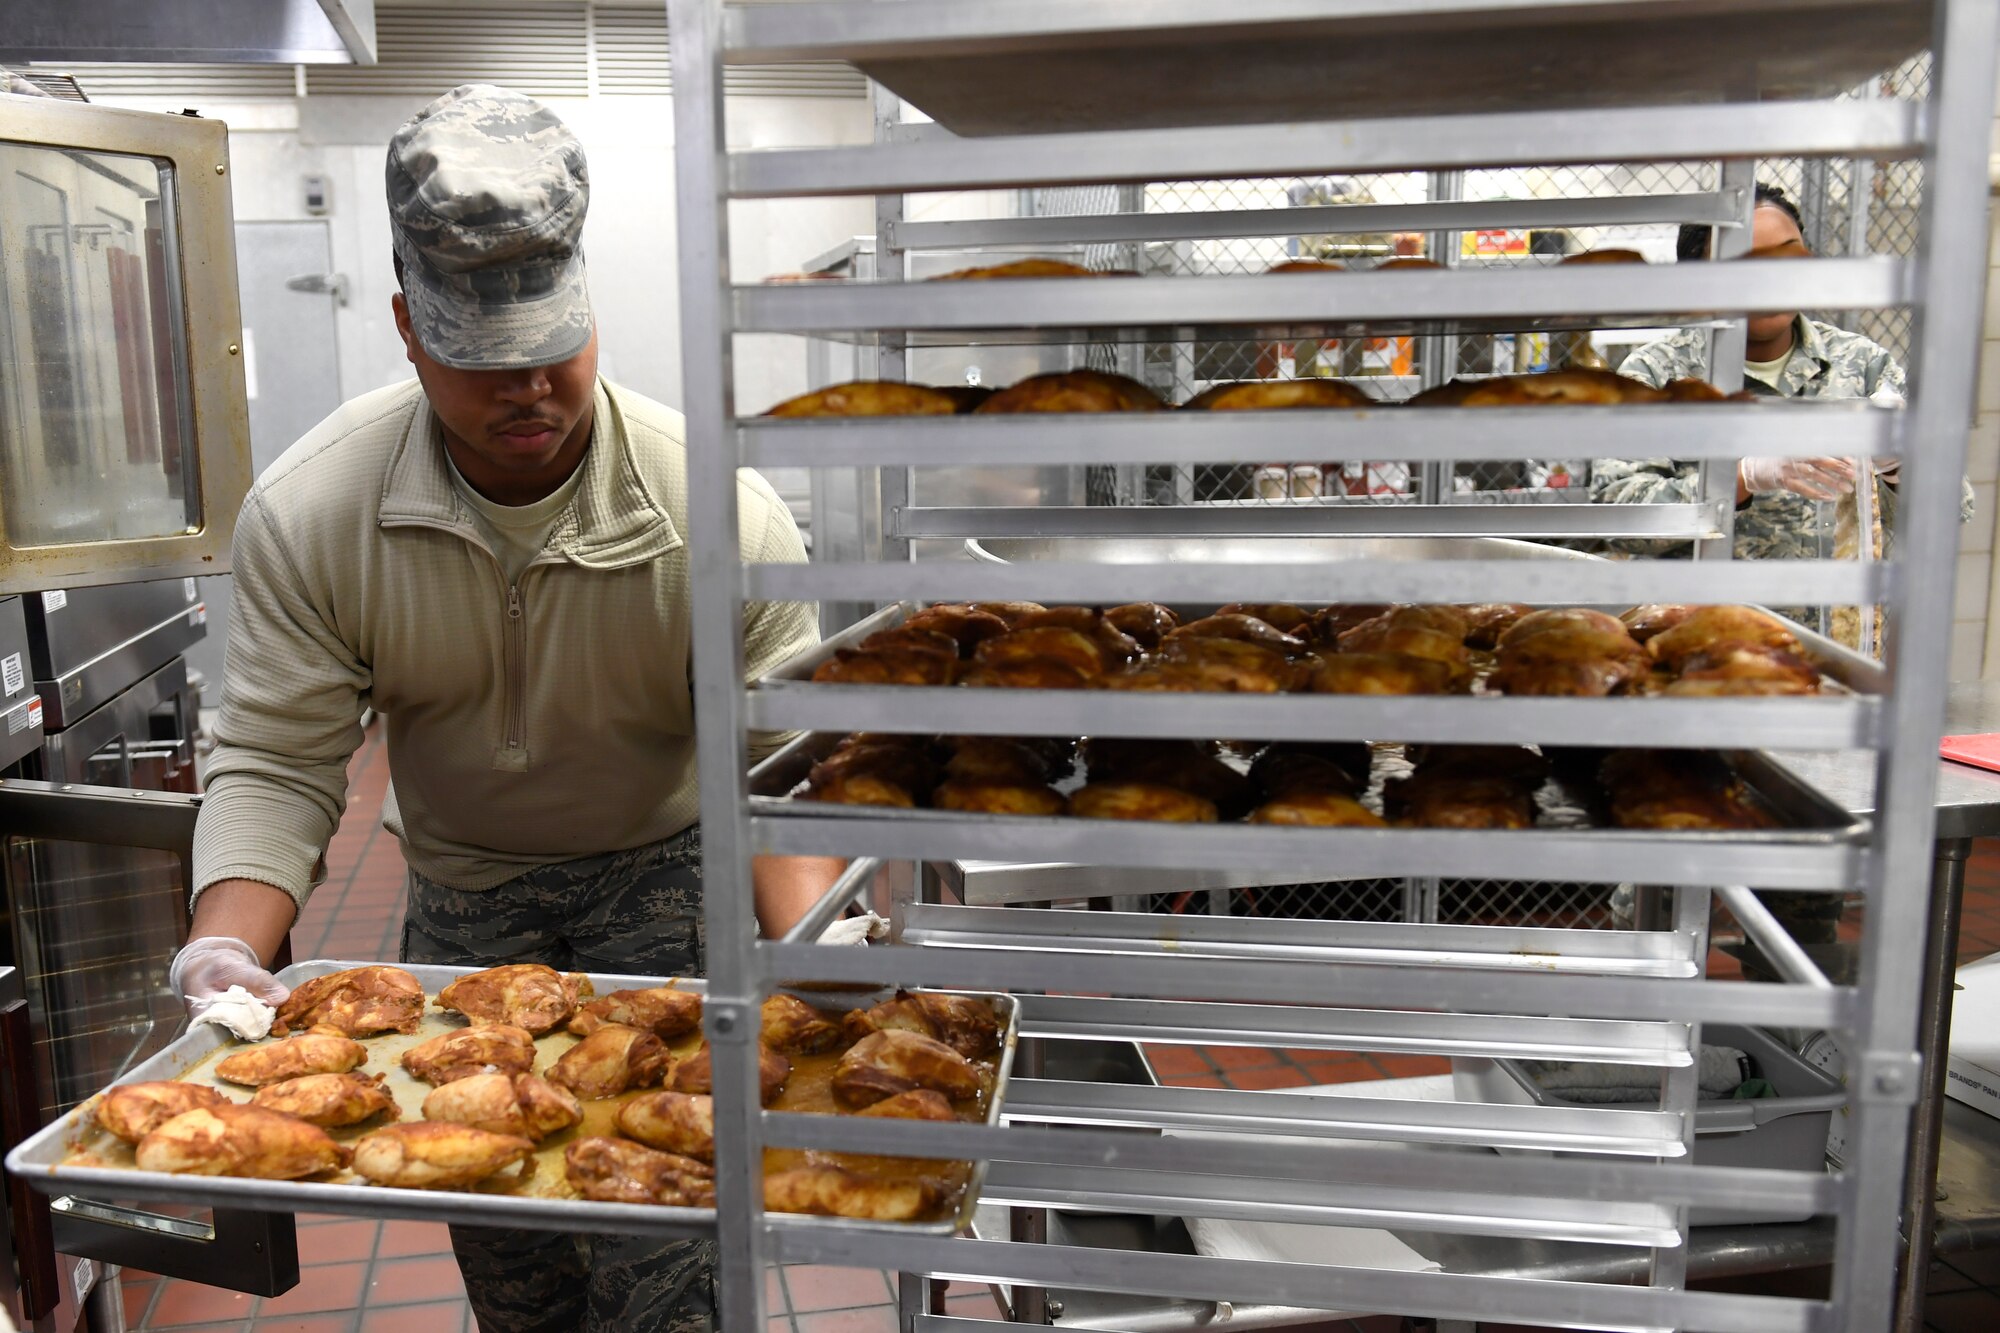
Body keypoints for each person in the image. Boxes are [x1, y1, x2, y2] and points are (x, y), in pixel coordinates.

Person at [170, 84, 841, 1332]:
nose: (527, 389)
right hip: (468, 902)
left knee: (672, 1251)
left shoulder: (711, 509)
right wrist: (229, 945)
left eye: (554, 348)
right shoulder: (318, 512)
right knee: (512, 1257)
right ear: (409, 333)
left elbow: (779, 762)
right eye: (483, 363)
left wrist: (814, 953)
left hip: (666, 876)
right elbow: (274, 758)